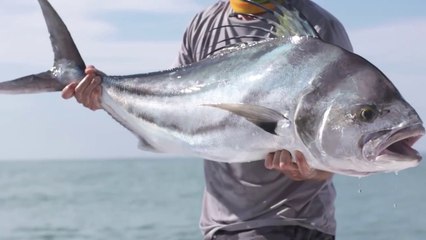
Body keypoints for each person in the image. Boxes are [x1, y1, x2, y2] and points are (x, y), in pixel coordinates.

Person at [62, 0, 353, 239]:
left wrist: (312, 172)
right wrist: (103, 96)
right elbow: (178, 108)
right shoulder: (203, 26)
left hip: (295, 223)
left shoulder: (320, 28)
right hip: (220, 227)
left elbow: (346, 134)